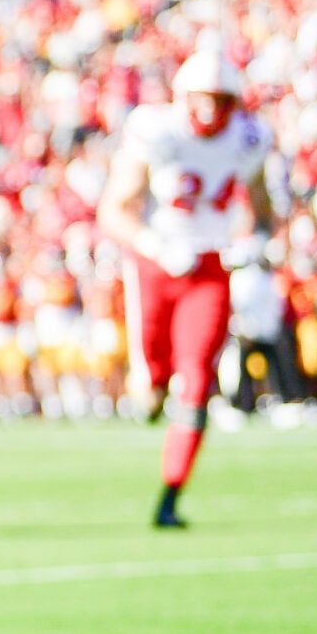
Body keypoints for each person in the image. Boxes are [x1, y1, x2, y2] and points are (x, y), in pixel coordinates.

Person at [98, 48, 278, 526]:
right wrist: (155, 245)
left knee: (197, 378)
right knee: (151, 385)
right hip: (157, 265)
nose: (209, 111)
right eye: (201, 99)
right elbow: (114, 210)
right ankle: (154, 398)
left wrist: (255, 241)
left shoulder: (248, 139)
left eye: (219, 100)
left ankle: (170, 495)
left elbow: (262, 207)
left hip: (210, 267)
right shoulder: (156, 131)